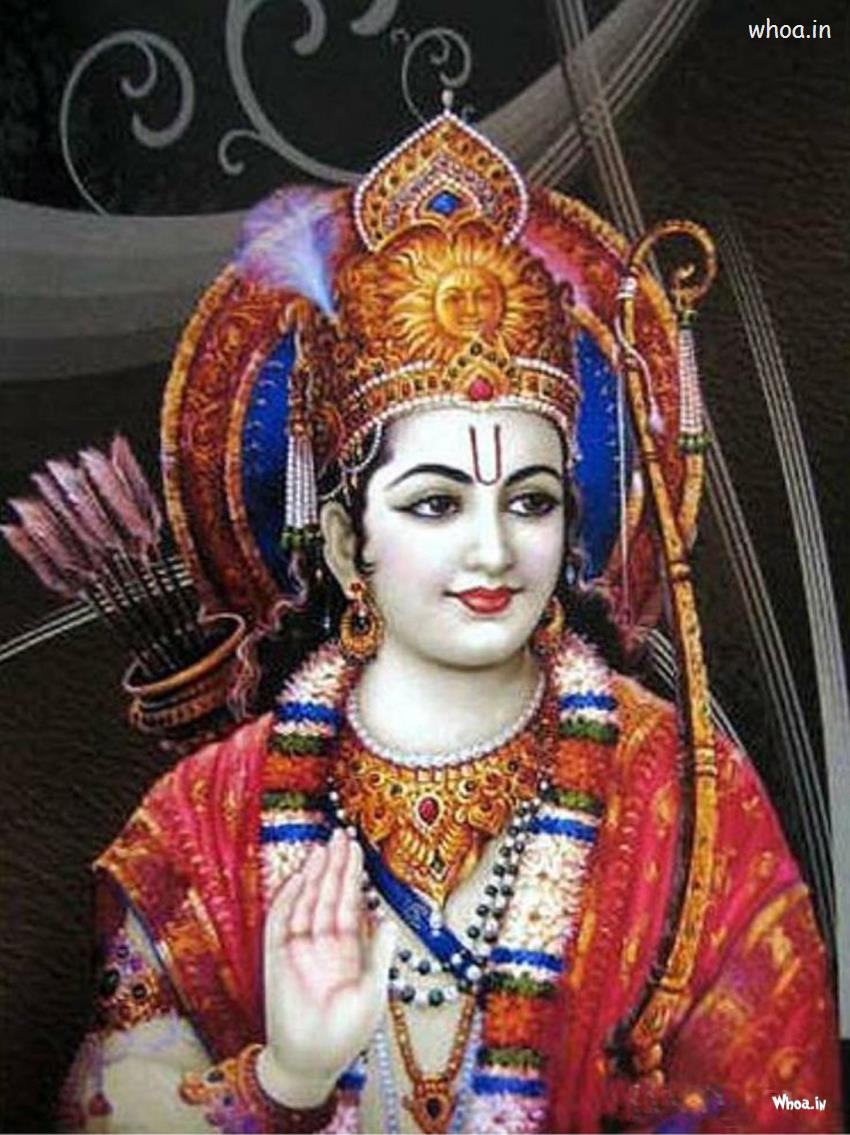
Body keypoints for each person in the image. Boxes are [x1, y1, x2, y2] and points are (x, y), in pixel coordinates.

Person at [60, 106, 839, 1133]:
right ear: (347, 543)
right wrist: (287, 1079)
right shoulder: (206, 818)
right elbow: (105, 1110)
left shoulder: (684, 799)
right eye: (435, 503)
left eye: (531, 501)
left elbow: (787, 1099)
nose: (492, 550)